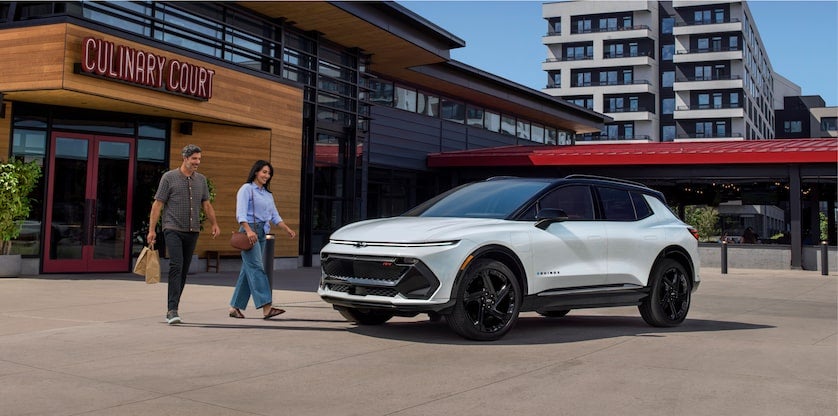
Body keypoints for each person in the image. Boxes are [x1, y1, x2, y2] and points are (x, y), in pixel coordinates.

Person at [147, 144, 220, 325]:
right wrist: (151, 230)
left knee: (184, 271)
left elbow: (207, 204)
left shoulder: (201, 180)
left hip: (192, 230)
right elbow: (157, 204)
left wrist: (214, 224)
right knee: (176, 266)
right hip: (172, 228)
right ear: (185, 158)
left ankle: (173, 308)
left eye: (199, 159)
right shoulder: (169, 178)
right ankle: (172, 310)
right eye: (194, 159)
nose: (197, 162)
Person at [228, 160, 296, 320]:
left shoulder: (267, 194)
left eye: (269, 173)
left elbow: (274, 215)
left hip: (262, 233)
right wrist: (249, 230)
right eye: (264, 172)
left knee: (248, 271)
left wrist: (286, 228)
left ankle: (234, 307)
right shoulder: (247, 189)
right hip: (249, 233)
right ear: (256, 172)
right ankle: (267, 307)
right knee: (257, 268)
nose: (267, 175)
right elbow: (241, 213)